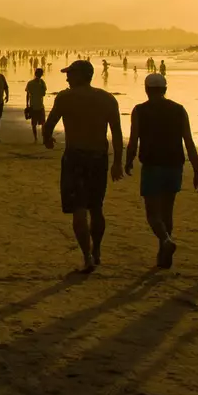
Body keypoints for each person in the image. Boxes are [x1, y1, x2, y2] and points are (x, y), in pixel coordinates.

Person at [43, 60, 124, 273]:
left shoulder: (65, 98)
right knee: (96, 207)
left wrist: (47, 139)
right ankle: (96, 249)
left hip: (75, 158)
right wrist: (117, 162)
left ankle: (87, 255)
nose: (67, 78)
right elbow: (116, 132)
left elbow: (49, 125)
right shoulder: (107, 99)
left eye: (70, 74)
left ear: (80, 75)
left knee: (79, 209)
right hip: (99, 158)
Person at [125, 73, 198, 268]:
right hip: (174, 165)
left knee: (152, 213)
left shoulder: (140, 110)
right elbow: (189, 141)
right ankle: (163, 252)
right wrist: (197, 170)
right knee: (167, 212)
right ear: (165, 89)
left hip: (152, 165)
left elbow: (134, 140)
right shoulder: (179, 110)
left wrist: (128, 160)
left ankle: (166, 242)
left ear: (146, 89)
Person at [25, 67, 48, 143]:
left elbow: (28, 95)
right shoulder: (42, 83)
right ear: (41, 74)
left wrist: (27, 105)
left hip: (33, 105)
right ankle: (43, 137)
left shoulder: (30, 83)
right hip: (39, 105)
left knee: (34, 124)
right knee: (42, 123)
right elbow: (43, 94)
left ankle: (36, 138)